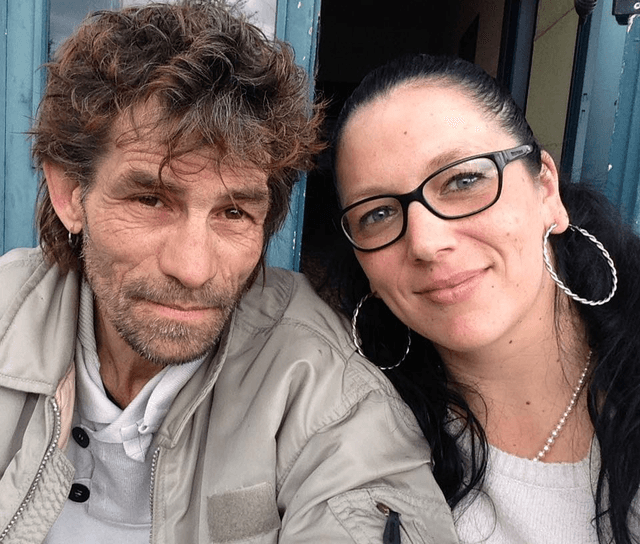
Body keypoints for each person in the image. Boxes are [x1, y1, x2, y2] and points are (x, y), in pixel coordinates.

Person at [0, 7, 460, 543]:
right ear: (69, 193)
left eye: (233, 213)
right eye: (150, 200)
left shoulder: (321, 385)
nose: (193, 269)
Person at [330, 53, 640, 544]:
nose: (426, 243)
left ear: (546, 190)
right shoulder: (353, 435)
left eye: (463, 180)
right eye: (378, 214)